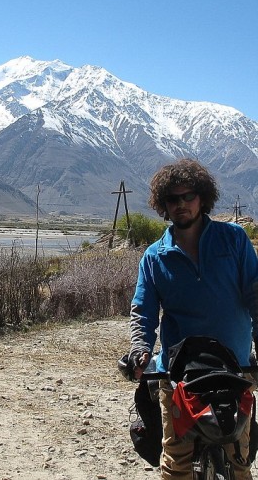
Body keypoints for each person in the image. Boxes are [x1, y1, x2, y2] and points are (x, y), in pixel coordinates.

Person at [128, 158, 258, 479]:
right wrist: (140, 349)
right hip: (178, 374)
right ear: (163, 204)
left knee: (239, 462)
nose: (182, 204)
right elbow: (143, 312)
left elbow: (256, 295)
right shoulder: (155, 257)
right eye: (173, 199)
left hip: (233, 369)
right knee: (176, 464)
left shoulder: (234, 239)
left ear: (202, 198)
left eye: (189, 196)